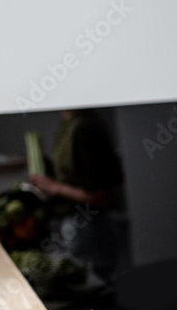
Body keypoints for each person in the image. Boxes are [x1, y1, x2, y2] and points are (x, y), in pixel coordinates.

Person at [30, 109, 123, 280]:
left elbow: (102, 196)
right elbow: (76, 176)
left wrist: (54, 187)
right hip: (74, 226)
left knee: (95, 288)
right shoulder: (68, 123)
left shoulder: (84, 127)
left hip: (90, 227)